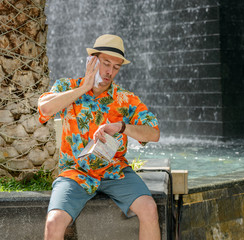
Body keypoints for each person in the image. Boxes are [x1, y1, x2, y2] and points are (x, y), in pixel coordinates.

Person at [38, 34, 161, 240]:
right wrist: (84, 87)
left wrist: (122, 127)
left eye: (116, 67)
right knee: (53, 222)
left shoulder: (125, 98)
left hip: (115, 170)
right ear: (92, 60)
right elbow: (44, 108)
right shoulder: (67, 87)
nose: (109, 72)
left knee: (149, 209)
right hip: (75, 172)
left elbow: (154, 133)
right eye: (105, 63)